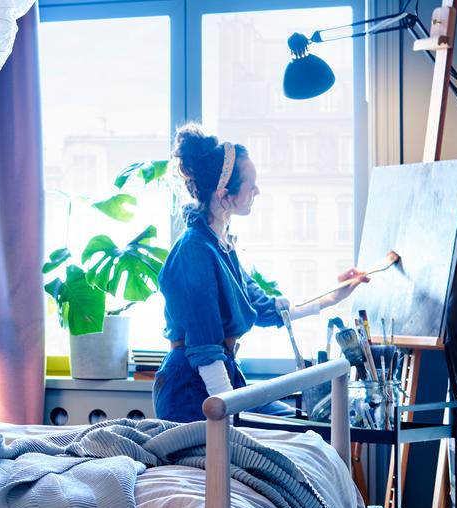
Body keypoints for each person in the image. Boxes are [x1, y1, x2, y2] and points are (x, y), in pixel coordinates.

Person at [153, 124, 370, 423]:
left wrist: (335, 295)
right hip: (192, 390)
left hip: (219, 380)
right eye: (251, 184)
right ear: (224, 195)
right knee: (297, 437)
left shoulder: (220, 246)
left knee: (310, 429)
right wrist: (228, 423)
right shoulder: (194, 252)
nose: (257, 190)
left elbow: (267, 309)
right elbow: (206, 351)